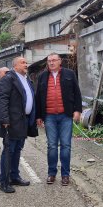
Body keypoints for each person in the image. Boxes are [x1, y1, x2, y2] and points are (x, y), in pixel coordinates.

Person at [36, 52, 82, 186]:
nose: (51, 63)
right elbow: (38, 97)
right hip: (49, 116)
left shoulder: (69, 74)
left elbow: (77, 93)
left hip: (66, 116)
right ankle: (51, 173)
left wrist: (77, 110)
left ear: (60, 61)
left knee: (66, 146)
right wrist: (39, 116)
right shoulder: (42, 76)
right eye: (49, 61)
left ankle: (65, 175)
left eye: (54, 60)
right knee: (51, 146)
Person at [0, 57, 36, 193]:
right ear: (15, 66)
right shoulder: (8, 79)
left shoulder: (27, 79)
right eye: (23, 63)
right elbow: (2, 100)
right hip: (11, 122)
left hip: (24, 121)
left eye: (26, 62)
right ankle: (4, 182)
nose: (26, 64)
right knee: (9, 151)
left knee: (18, 150)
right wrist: (5, 120)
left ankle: (14, 177)